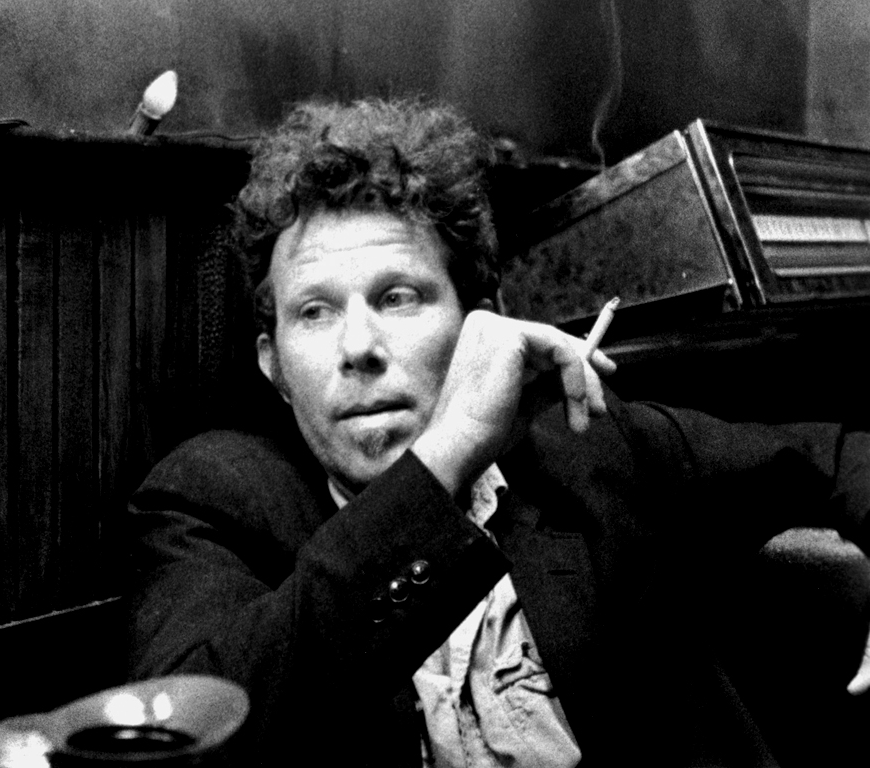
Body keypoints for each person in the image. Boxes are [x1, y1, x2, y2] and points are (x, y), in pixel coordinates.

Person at [125, 97, 870, 767]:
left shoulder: (592, 450)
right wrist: (441, 461)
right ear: (274, 364)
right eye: (314, 312)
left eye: (398, 297)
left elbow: (840, 456)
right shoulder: (215, 502)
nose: (358, 347)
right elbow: (183, 741)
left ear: (476, 322)